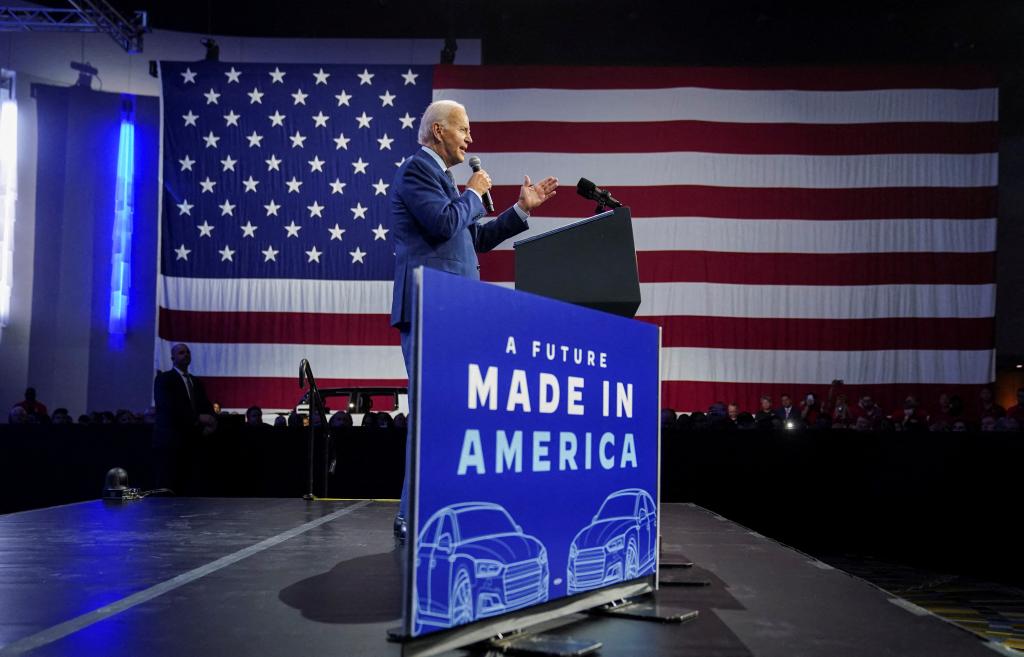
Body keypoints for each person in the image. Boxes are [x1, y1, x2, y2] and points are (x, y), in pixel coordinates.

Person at [390, 99, 559, 542]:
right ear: (439, 131)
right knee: (431, 415)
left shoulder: (444, 180)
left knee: (455, 417)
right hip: (429, 311)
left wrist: (521, 210)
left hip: (456, 314)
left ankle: (443, 510)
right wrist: (471, 192)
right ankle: (412, 514)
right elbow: (445, 223)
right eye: (464, 129)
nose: (471, 138)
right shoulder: (416, 172)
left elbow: (473, 237)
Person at [153, 343, 216, 492]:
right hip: (171, 442)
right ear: (172, 357)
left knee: (190, 486)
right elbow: (169, 408)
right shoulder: (164, 379)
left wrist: (212, 422)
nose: (186, 355)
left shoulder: (196, 382)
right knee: (169, 485)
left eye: (187, 352)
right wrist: (198, 419)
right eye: (181, 352)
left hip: (193, 441)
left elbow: (206, 405)